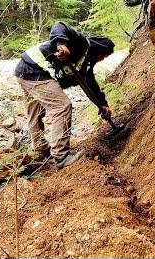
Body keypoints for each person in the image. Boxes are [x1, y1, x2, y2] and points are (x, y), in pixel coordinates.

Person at [13, 21, 115, 169]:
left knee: (35, 113)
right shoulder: (81, 43)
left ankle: (39, 151)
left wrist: (102, 105)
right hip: (33, 70)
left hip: (25, 71)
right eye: (104, 56)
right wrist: (61, 44)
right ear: (101, 50)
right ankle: (61, 155)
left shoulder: (85, 64)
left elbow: (90, 86)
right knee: (62, 106)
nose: (102, 60)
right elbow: (59, 25)